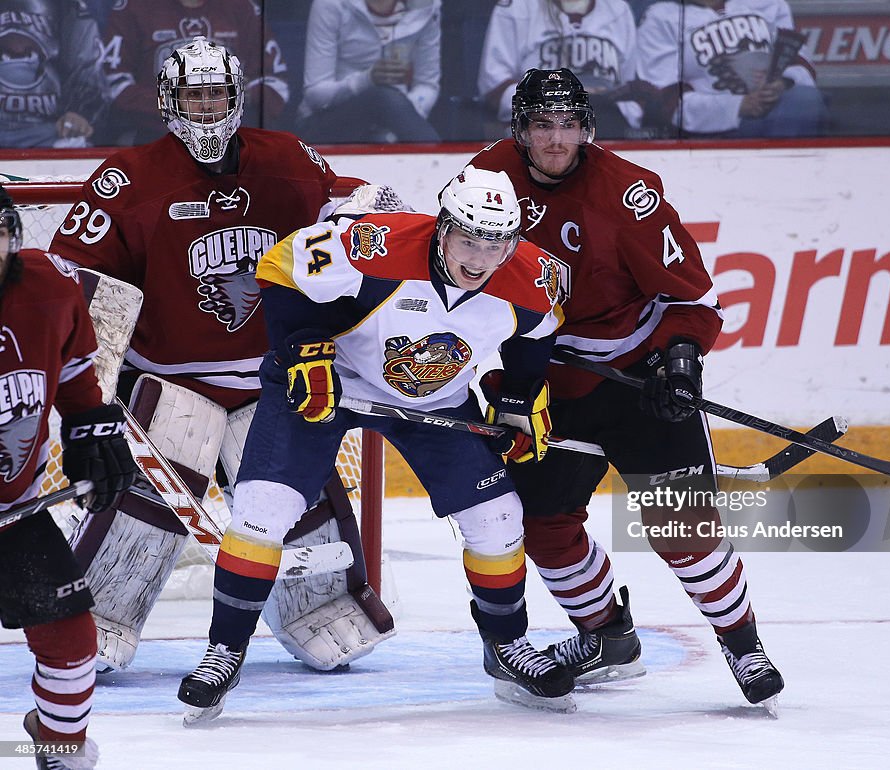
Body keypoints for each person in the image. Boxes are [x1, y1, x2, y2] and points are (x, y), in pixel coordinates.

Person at [178, 165, 576, 722]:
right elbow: (280, 268)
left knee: (498, 517)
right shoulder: (373, 243)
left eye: (496, 243)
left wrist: (517, 402)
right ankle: (225, 651)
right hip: (333, 380)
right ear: (442, 228)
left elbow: (534, 339)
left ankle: (506, 645)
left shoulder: (535, 278)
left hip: (435, 397)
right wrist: (301, 352)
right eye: (468, 239)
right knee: (262, 512)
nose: (481, 258)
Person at [49, 35, 394, 678]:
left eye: (216, 93)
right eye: (192, 94)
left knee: (300, 501)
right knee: (144, 507)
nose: (205, 107)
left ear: (237, 99)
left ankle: (323, 610)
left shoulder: (288, 158)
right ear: (166, 101)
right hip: (171, 379)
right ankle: (102, 619)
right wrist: (87, 383)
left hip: (274, 375)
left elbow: (348, 210)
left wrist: (368, 211)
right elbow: (73, 279)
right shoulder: (128, 177)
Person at [468, 68, 785, 707]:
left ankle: (743, 643)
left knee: (684, 528)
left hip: (636, 374)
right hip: (547, 381)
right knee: (544, 523)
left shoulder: (630, 195)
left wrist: (681, 365)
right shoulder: (486, 180)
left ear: (586, 130)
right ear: (520, 131)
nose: (555, 140)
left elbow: (694, 298)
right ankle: (607, 635)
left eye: (567, 125)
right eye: (540, 125)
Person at [0, 187, 134, 769]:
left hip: (17, 514)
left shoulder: (50, 289)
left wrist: (90, 431)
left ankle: (59, 749)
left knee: (74, 644)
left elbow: (77, 368)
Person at [99, 0, 291, 145]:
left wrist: (235, 96)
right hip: (155, 136)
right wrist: (178, 108)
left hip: (232, 139)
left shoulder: (242, 8)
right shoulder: (134, 8)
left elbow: (275, 84)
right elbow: (114, 86)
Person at [635, 0, 826, 137]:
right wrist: (736, 107)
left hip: (777, 107)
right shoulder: (660, 17)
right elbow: (663, 99)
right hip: (711, 129)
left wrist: (782, 83)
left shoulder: (768, 3)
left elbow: (798, 59)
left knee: (803, 100)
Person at [477, 0, 641, 139]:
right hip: (538, 130)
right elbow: (495, 92)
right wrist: (558, 98)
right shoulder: (516, 7)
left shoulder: (619, 9)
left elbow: (630, 92)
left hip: (607, 129)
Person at [296, 0, 442, 144]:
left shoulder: (426, 6)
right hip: (327, 121)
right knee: (381, 96)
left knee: (387, 104)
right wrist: (368, 79)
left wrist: (402, 115)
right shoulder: (331, 5)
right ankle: (442, 161)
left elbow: (427, 85)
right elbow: (315, 95)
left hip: (394, 121)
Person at [0, 0, 109, 148]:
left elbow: (86, 71)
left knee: (75, 145)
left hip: (51, 131)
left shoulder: (71, 7)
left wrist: (79, 113)